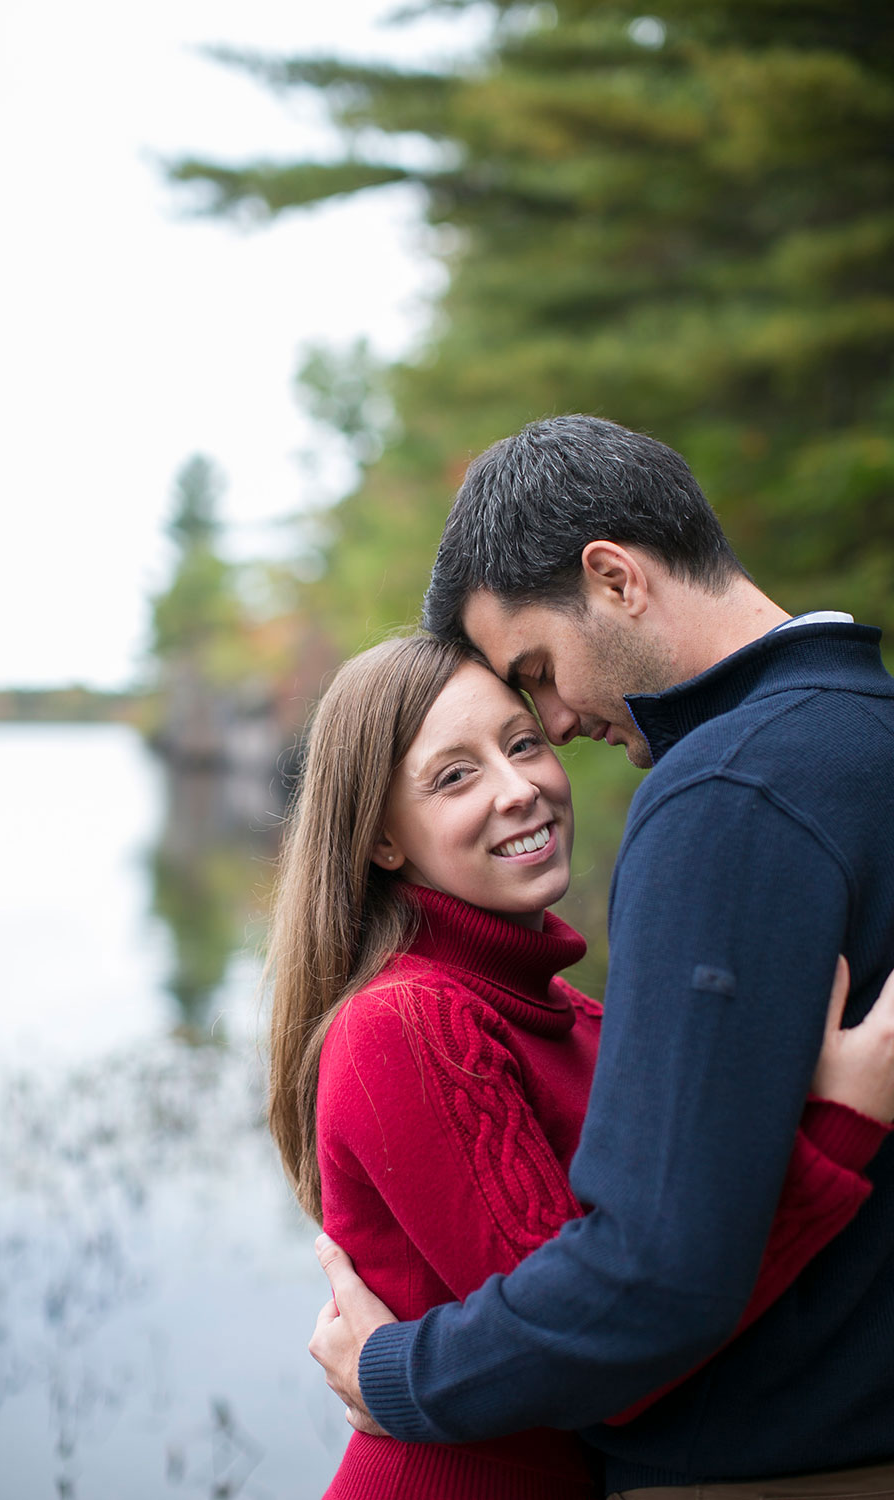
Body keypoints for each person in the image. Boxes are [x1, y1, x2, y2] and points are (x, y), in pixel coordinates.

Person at [308, 416, 894, 1496]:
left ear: (616, 579)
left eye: (530, 700)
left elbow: (639, 1290)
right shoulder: (405, 1020)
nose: (556, 730)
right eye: (452, 774)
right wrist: (839, 1125)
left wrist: (396, 1372)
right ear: (378, 835)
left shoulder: (720, 799)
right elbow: (623, 1305)